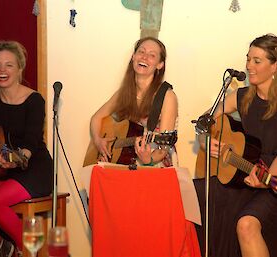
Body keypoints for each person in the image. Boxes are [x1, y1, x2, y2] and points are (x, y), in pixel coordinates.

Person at [194, 34, 277, 257]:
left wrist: (267, 178)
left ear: (275, 66)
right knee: (198, 195)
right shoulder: (241, 96)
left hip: (271, 182)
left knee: (246, 224)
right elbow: (205, 120)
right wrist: (204, 140)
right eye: (248, 59)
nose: (249, 66)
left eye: (257, 61)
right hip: (245, 174)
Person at [0, 41, 53, 257]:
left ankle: (29, 251)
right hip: (6, 172)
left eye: (9, 65)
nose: (2, 71)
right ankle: (1, 246)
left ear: (20, 68)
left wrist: (18, 158)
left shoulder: (34, 100)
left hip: (35, 169)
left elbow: (31, 141)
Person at [90, 36, 178, 167]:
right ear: (133, 57)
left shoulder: (167, 96)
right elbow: (96, 118)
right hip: (126, 163)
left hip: (156, 167)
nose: (144, 57)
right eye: (141, 52)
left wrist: (149, 160)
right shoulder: (124, 93)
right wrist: (98, 141)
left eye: (152, 55)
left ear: (160, 65)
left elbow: (163, 150)